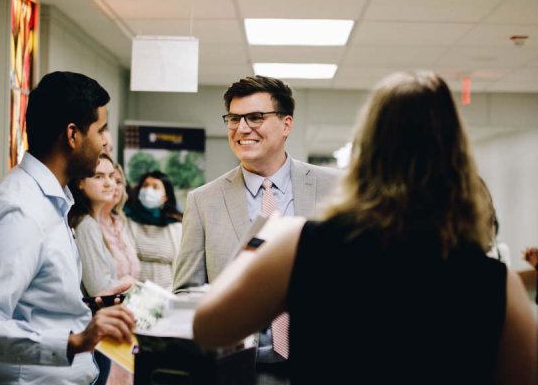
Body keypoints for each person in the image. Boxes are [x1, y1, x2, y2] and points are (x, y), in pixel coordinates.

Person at [193, 71, 537, 385]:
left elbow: (208, 327)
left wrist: (255, 251)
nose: (242, 127)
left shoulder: (300, 244)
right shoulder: (495, 281)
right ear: (459, 158)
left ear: (364, 152)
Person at [0, 72, 135, 385]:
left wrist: (89, 308)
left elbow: (35, 306)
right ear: (72, 135)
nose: (106, 142)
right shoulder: (21, 211)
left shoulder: (53, 201)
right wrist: (75, 341)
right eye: (100, 129)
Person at [173, 75, 338, 383]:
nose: (242, 128)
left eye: (255, 117)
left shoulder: (335, 187)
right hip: (234, 369)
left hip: (321, 363)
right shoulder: (203, 201)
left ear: (286, 124)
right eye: (234, 118)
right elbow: (184, 293)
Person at [68, 154, 137, 385]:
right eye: (99, 177)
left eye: (111, 176)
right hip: (92, 329)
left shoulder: (96, 223)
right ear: (79, 182)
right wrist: (130, 285)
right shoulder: (86, 225)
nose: (109, 183)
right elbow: (99, 289)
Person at [99, 161, 141, 385]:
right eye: (105, 179)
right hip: (106, 323)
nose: (113, 186)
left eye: (118, 181)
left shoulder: (120, 222)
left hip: (128, 320)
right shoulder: (89, 224)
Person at [125, 171, 183, 290]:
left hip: (169, 294)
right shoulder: (128, 222)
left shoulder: (176, 227)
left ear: (165, 197)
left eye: (155, 187)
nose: (148, 190)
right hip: (133, 295)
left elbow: (182, 267)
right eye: (145, 185)